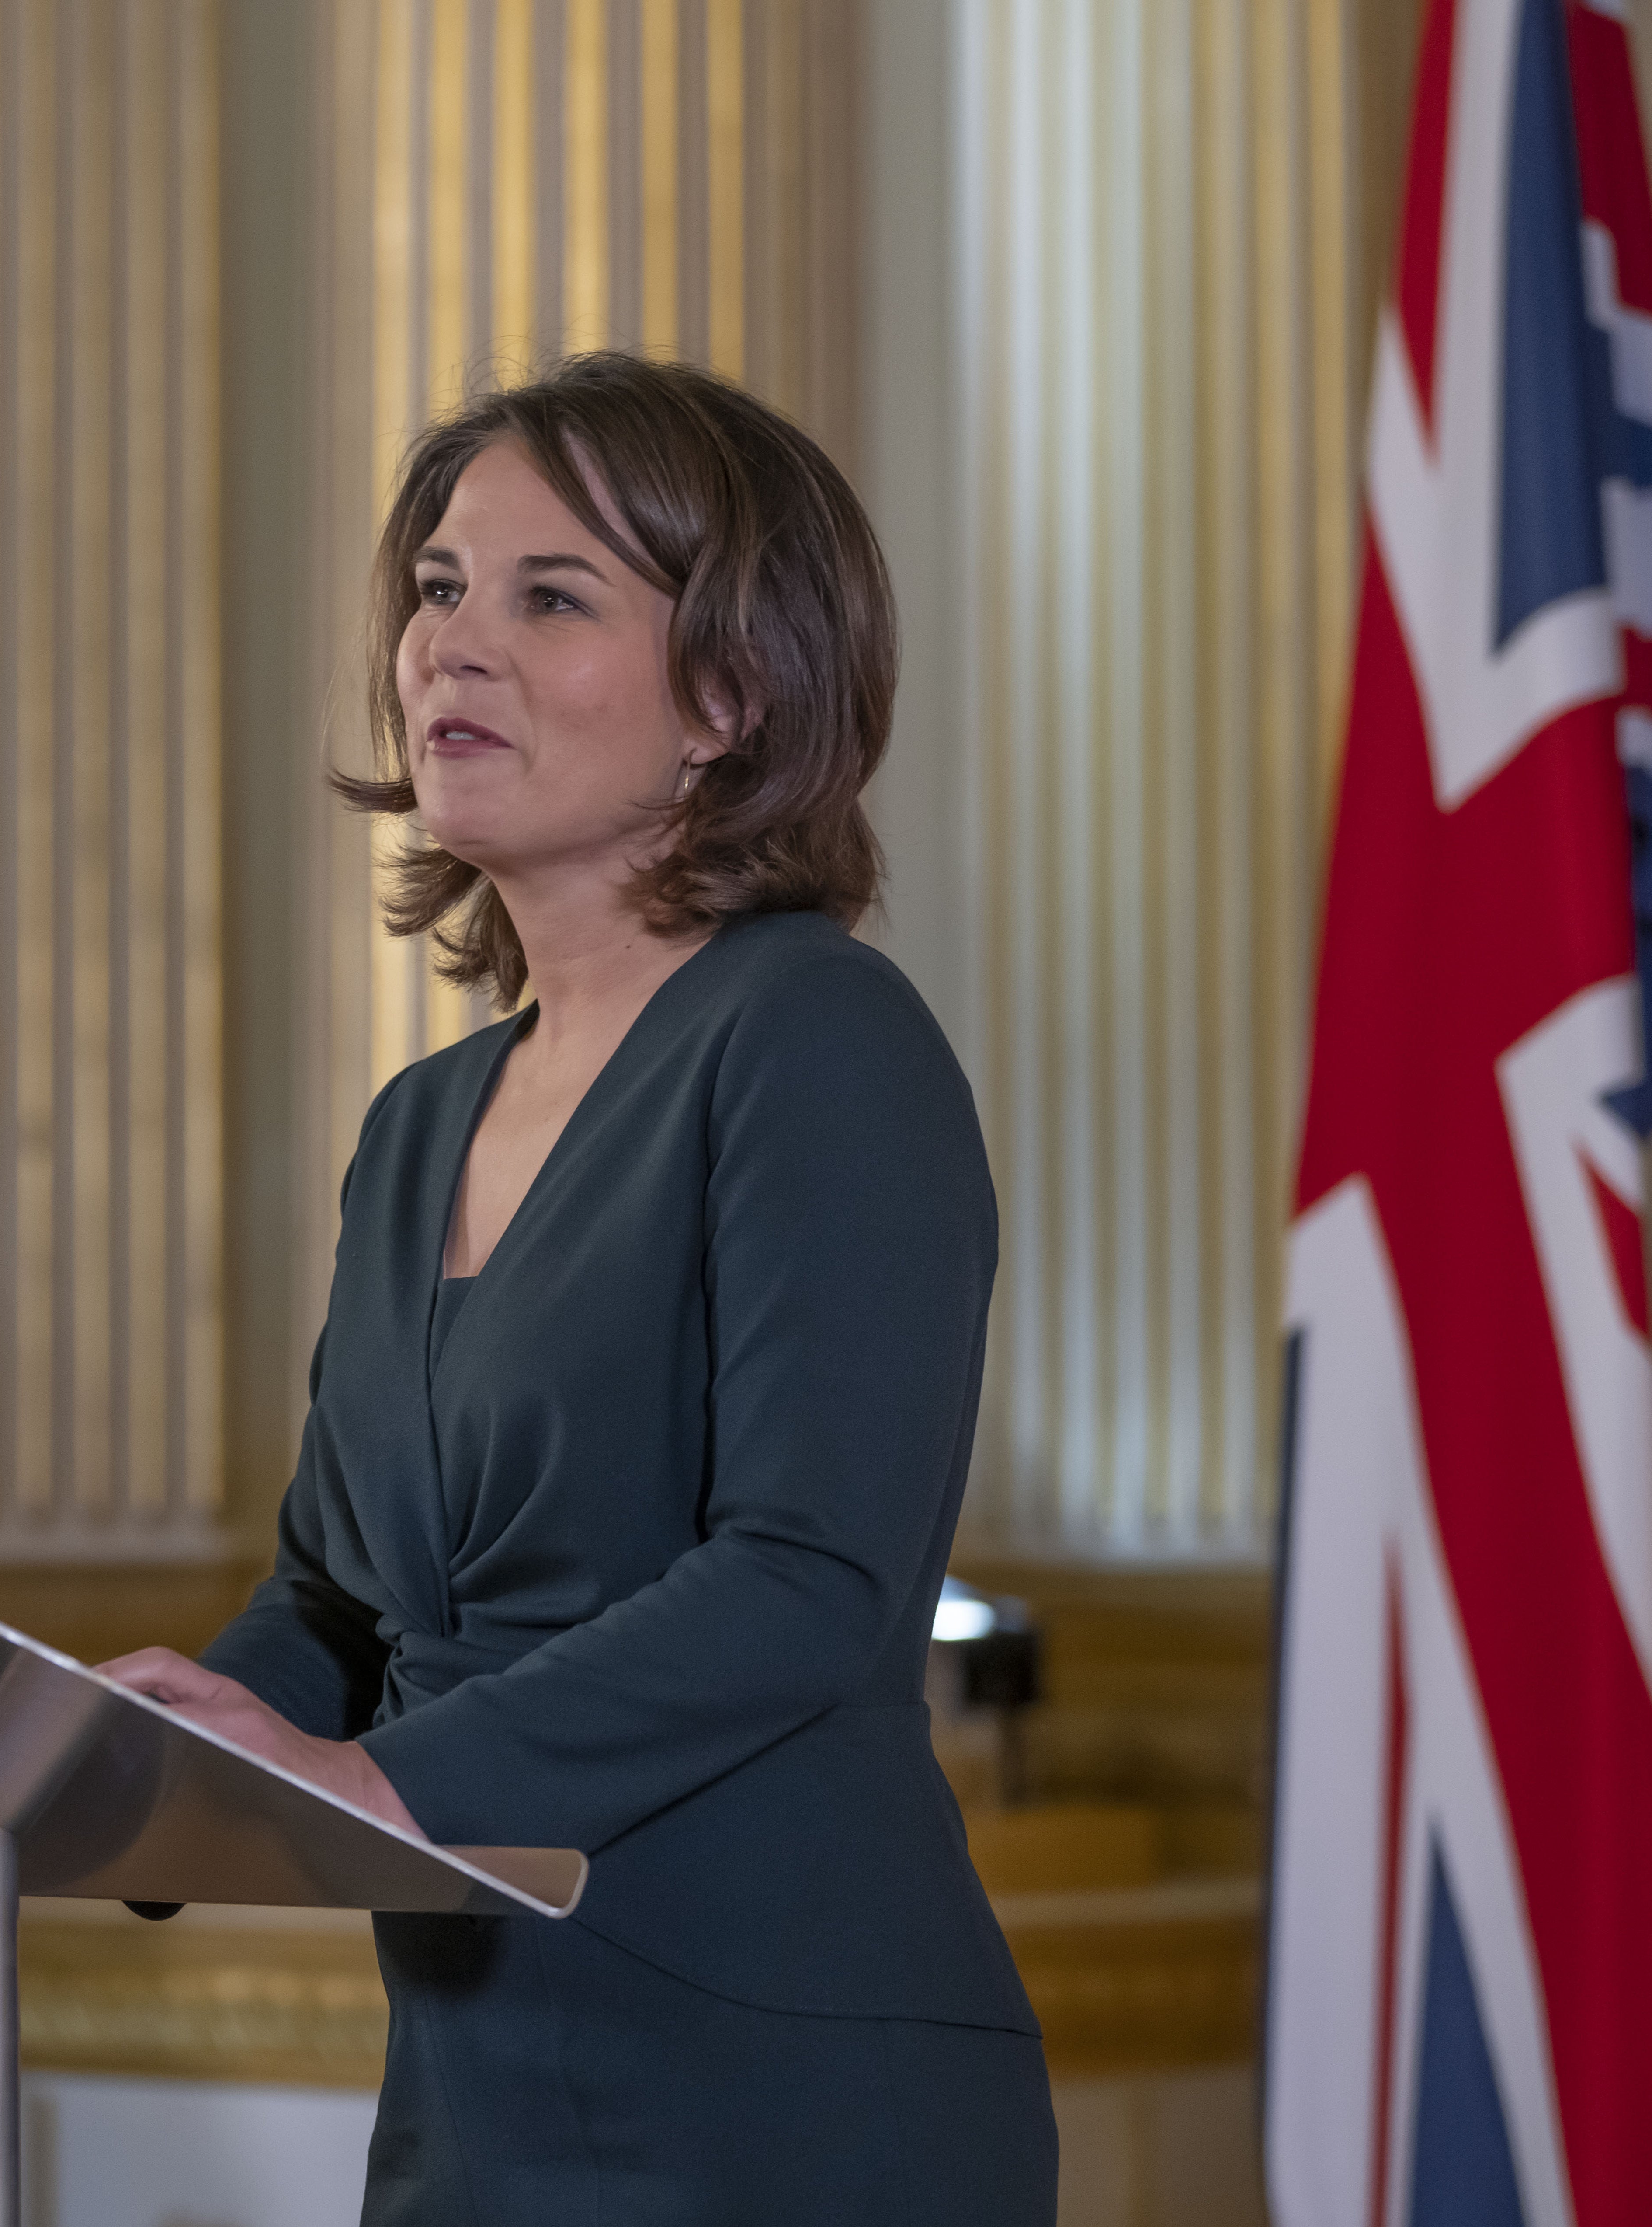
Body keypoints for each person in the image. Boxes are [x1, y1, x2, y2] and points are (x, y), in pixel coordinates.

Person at [102, 354, 1058, 2223]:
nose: (452, 644)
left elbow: (806, 1577)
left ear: (731, 694)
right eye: (440, 588)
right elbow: (333, 1591)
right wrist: (143, 1766)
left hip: (785, 2087)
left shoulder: (815, 1036)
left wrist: (372, 1782)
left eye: (550, 597)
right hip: (476, 2084)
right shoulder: (417, 1125)